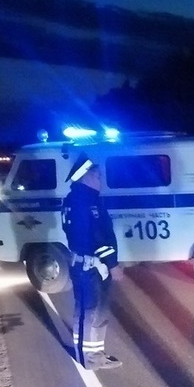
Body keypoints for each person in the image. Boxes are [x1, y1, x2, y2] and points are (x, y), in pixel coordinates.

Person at [61, 154, 122, 370]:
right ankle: (88, 358)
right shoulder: (84, 202)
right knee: (88, 311)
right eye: (96, 175)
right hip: (89, 265)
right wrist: (113, 264)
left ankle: (96, 353)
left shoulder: (80, 199)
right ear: (84, 178)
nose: (100, 179)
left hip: (93, 264)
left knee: (98, 310)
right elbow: (96, 236)